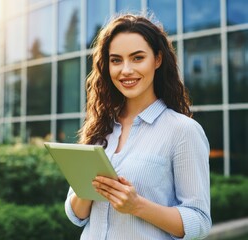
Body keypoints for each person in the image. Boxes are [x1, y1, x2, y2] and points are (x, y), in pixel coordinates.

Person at [64, 13, 211, 240]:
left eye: (137, 58)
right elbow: (76, 215)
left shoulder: (182, 131)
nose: (126, 70)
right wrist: (91, 188)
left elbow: (200, 222)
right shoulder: (100, 126)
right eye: (116, 60)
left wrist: (137, 206)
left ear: (158, 59)